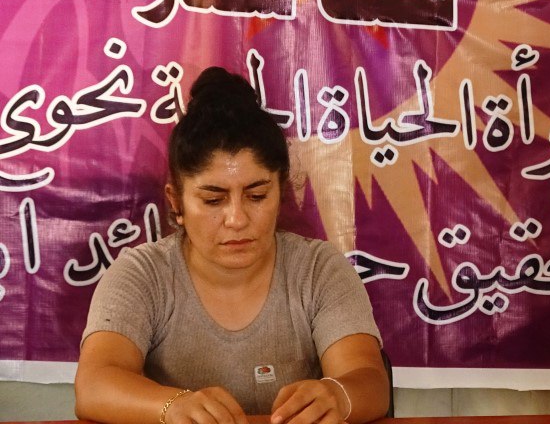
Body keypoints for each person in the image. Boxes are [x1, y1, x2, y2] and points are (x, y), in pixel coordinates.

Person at [75, 67, 389, 424]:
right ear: (176, 203)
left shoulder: (319, 269)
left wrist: (340, 397)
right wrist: (172, 406)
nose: (237, 219)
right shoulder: (143, 275)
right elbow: (94, 385)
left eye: (257, 196)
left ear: (281, 192)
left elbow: (370, 381)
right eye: (213, 200)